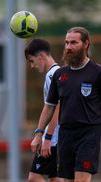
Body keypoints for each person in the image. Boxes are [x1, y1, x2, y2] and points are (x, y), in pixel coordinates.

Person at [31, 27, 101, 182]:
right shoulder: (60, 74)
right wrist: (38, 133)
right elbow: (50, 106)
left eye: (74, 43)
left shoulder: (97, 72)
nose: (69, 47)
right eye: (67, 43)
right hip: (66, 135)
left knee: (81, 180)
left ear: (86, 44)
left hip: (89, 134)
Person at [25, 38, 64, 182]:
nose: (32, 66)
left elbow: (56, 107)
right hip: (58, 138)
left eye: (31, 60)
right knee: (55, 178)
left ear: (41, 56)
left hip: (54, 138)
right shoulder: (56, 73)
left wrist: (47, 138)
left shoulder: (52, 75)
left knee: (34, 177)